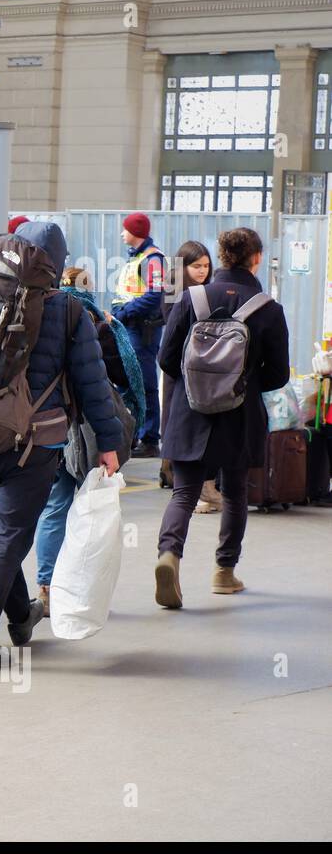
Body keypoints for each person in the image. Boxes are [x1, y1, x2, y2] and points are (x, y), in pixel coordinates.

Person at [0, 221, 123, 666]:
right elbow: (92, 384)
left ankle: (20, 617)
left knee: (3, 533)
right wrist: (108, 443)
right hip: (36, 442)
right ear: (55, 263)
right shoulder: (70, 311)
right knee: (7, 536)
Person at [153, 228, 289, 609]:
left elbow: (166, 360)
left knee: (184, 493)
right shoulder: (267, 308)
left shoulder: (190, 299)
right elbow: (278, 375)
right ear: (256, 258)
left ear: (221, 257)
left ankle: (169, 555)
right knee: (234, 493)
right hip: (239, 415)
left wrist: (199, 384)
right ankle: (223, 573)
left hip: (190, 410)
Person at [32, 266, 145, 616]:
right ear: (89, 289)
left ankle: (48, 587)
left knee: (54, 507)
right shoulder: (98, 323)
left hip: (50, 427)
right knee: (92, 510)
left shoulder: (38, 319)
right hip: (92, 431)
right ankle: (83, 588)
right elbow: (124, 378)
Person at [111, 212, 167, 458]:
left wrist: (124, 312)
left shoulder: (153, 259)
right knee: (131, 382)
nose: (122, 234)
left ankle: (150, 438)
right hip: (129, 326)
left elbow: (155, 296)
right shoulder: (137, 258)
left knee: (144, 384)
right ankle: (135, 434)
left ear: (135, 232)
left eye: (125, 229)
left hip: (142, 329)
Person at [167, 241, 216, 505]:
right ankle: (180, 480)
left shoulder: (209, 291)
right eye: (196, 266)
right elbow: (170, 329)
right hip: (179, 367)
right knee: (179, 427)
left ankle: (200, 486)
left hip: (203, 368)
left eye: (206, 266)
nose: (202, 271)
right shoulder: (173, 291)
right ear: (183, 266)